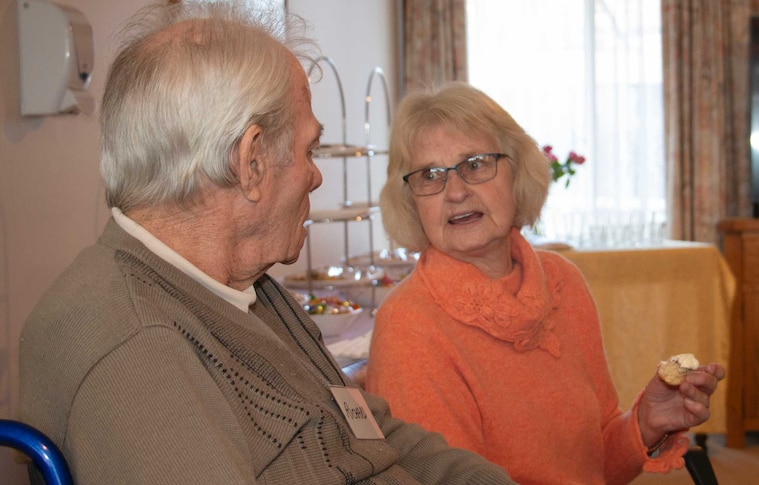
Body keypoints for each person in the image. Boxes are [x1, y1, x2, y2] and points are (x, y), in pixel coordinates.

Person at [17, 3, 518, 484]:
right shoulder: (135, 348)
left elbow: (371, 433)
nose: (316, 176)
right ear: (251, 161)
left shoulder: (245, 289)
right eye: (309, 149)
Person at [365, 83, 726, 485]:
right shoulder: (410, 327)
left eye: (475, 164)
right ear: (411, 201)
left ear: (517, 172)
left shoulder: (561, 281)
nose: (455, 191)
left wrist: (645, 423)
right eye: (430, 175)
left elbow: (597, 463)